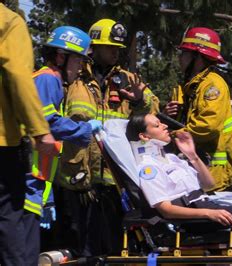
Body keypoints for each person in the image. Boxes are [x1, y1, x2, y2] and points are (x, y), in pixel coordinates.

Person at [56, 18, 159, 257]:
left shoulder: (129, 79)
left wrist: (138, 100)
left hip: (114, 180)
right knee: (81, 248)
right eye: (110, 47)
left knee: (116, 248)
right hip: (78, 178)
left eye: (118, 48)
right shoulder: (73, 78)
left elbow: (153, 113)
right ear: (94, 47)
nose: (116, 53)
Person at [21, 26, 102, 266]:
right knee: (22, 250)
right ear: (60, 56)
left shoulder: (48, 81)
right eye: (78, 59)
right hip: (26, 178)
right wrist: (85, 130)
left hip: (34, 181)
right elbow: (48, 122)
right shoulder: (48, 78)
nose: (81, 67)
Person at [0, 3, 57, 265]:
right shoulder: (8, 21)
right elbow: (19, 77)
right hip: (3, 142)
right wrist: (39, 130)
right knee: (8, 218)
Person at [164, 27, 232, 191]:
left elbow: (207, 127)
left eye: (185, 53)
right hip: (198, 171)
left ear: (198, 57)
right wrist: (167, 115)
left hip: (218, 175)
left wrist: (171, 135)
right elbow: (183, 123)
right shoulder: (187, 87)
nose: (180, 58)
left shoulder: (212, 85)